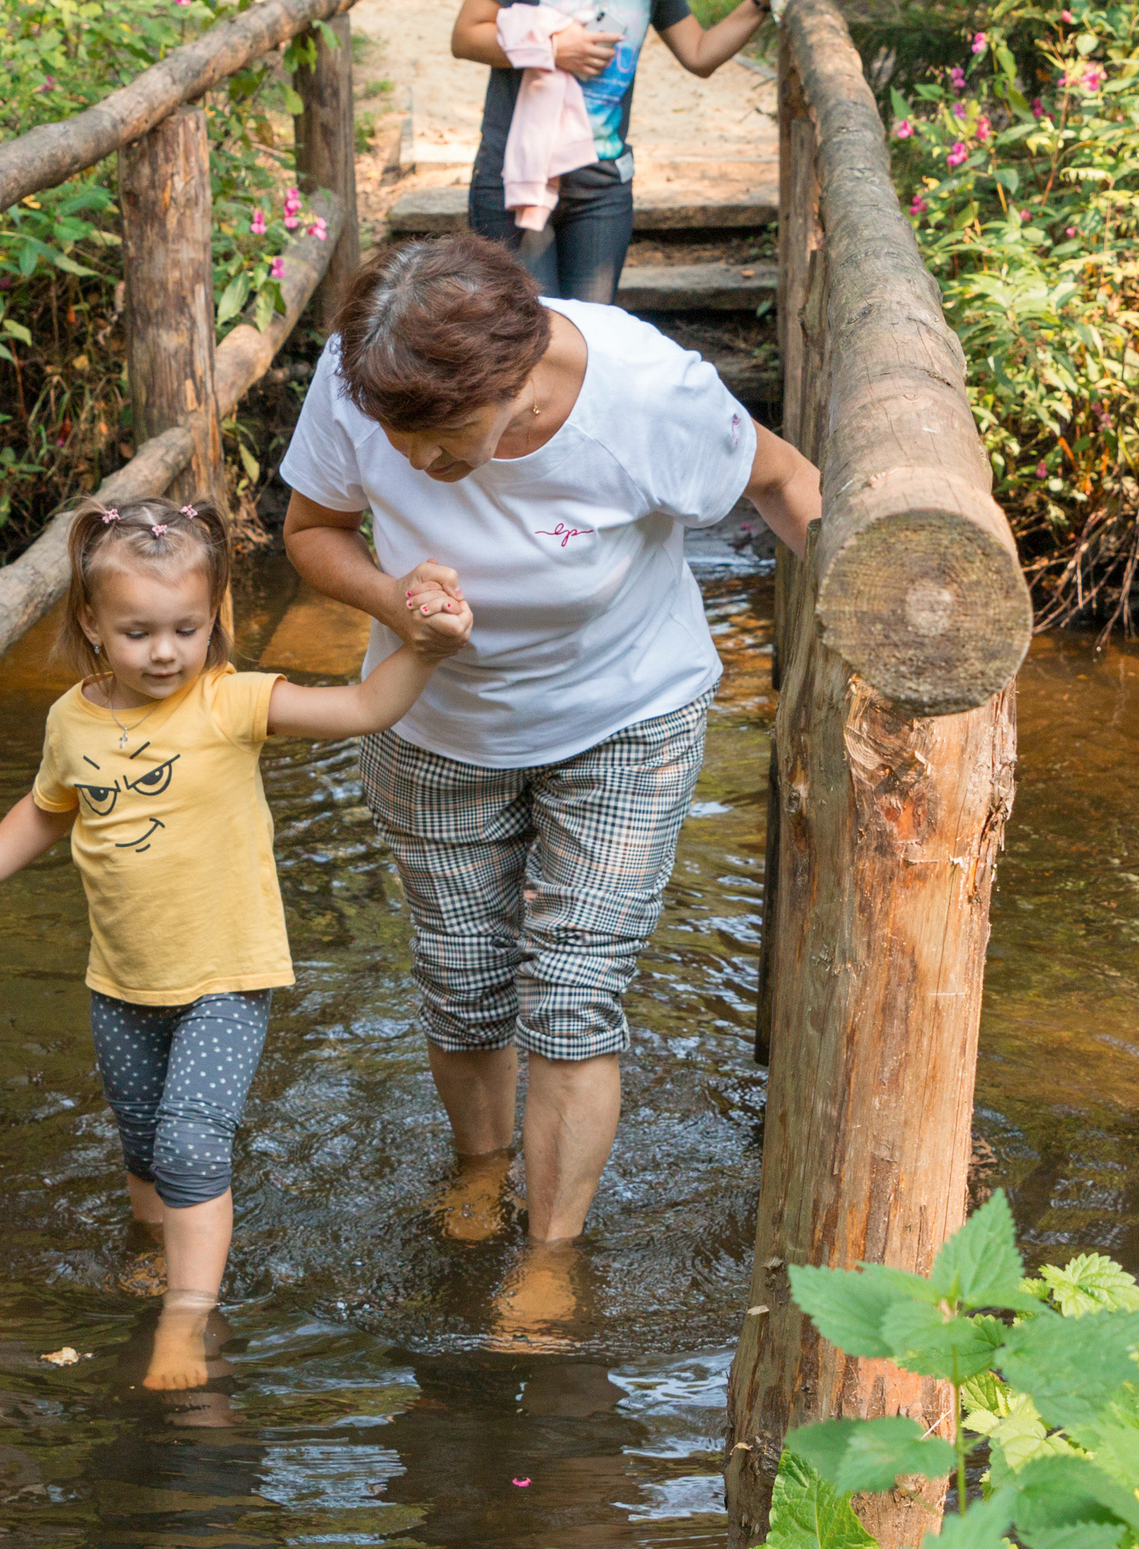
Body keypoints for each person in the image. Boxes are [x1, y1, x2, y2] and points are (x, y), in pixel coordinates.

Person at [277, 234, 822, 1300]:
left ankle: (549, 1255)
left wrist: (886, 616)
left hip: (622, 713)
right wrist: (395, 601)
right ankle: (480, 1173)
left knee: (572, 993)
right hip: (430, 716)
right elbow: (313, 528)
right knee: (463, 983)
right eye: (399, 442)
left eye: (441, 444)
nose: (418, 468)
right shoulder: (361, 382)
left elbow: (786, 479)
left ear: (515, 386)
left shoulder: (647, 395)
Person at [0, 497, 471, 1390]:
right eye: (137, 632)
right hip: (123, 979)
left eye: (186, 629)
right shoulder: (71, 722)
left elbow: (363, 706)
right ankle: (153, 1253)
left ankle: (187, 1316)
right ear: (91, 624)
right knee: (142, 1147)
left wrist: (425, 653)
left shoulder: (232, 703)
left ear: (213, 622)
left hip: (226, 973)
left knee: (190, 1146)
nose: (165, 652)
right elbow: (45, 812)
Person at [450, 0, 774, 301]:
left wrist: (760, 4)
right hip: (514, 182)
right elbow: (465, 36)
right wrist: (551, 48)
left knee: (591, 339)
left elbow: (699, 54)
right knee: (530, 339)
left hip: (603, 189)